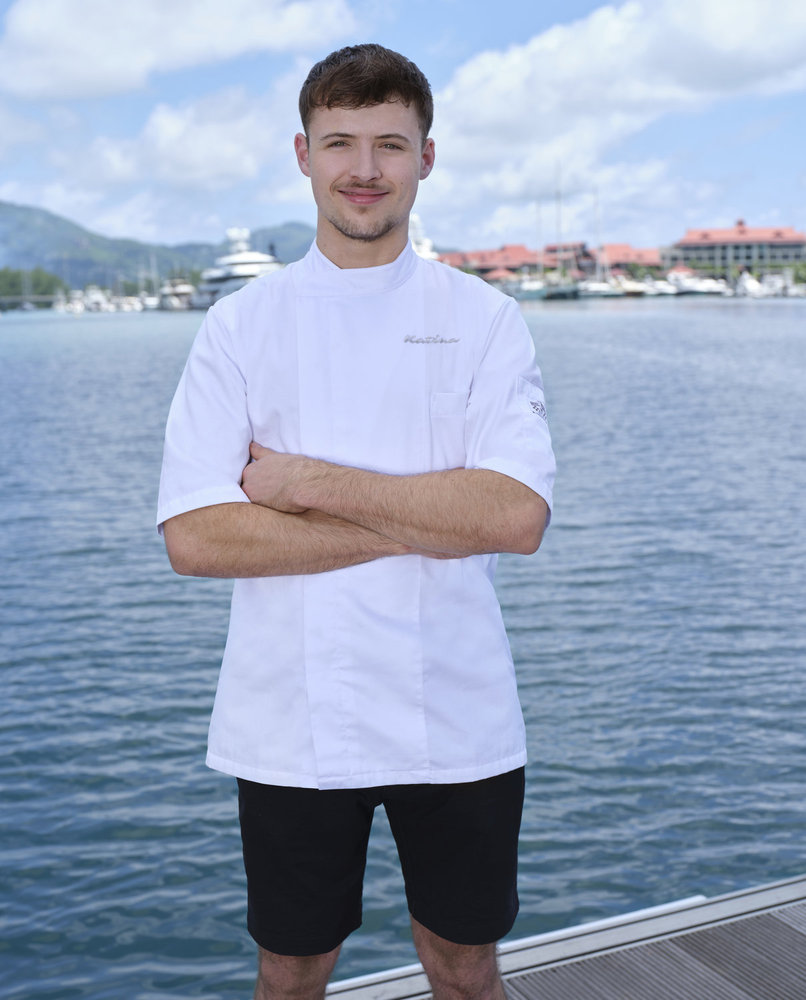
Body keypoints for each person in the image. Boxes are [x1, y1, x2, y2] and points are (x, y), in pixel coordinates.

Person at [157, 43, 555, 1000]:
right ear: (303, 154)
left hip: (454, 712)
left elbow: (515, 514)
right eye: (340, 142)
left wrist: (301, 481)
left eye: (390, 143)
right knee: (292, 971)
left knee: (464, 967)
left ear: (427, 156)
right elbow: (197, 537)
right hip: (292, 716)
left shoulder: (486, 319)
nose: (364, 169)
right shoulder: (241, 325)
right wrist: (430, 518)